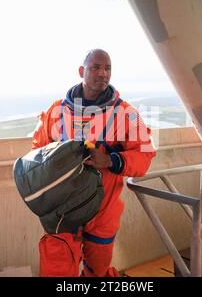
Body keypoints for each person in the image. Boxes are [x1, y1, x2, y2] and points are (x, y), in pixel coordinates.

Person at [31, 48, 156, 277]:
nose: (103, 73)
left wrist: (110, 160)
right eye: (96, 67)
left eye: (107, 68)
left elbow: (145, 155)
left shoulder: (126, 114)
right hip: (62, 211)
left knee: (96, 271)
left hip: (102, 212)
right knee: (57, 269)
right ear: (82, 71)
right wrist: (56, 161)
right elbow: (37, 150)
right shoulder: (57, 111)